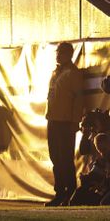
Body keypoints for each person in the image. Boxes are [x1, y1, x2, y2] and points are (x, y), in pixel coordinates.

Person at [44, 42, 84, 207]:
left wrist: (75, 122)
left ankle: (70, 192)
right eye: (57, 52)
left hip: (66, 122)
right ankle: (59, 192)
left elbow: (79, 99)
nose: (58, 55)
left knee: (66, 158)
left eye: (61, 52)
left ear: (69, 54)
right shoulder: (55, 73)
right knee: (55, 157)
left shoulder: (73, 73)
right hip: (52, 120)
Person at [69, 133, 110, 206]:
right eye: (99, 148)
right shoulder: (101, 160)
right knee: (81, 191)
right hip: (103, 189)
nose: (101, 151)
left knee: (104, 203)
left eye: (103, 148)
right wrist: (85, 177)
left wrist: (102, 185)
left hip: (106, 189)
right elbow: (94, 173)